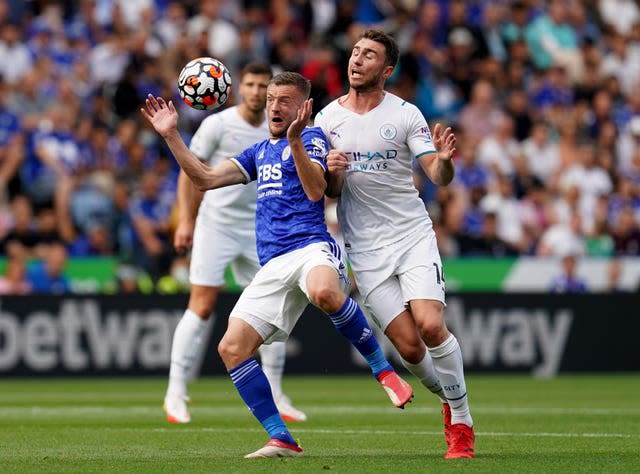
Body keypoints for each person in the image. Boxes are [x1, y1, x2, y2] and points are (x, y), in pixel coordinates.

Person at [141, 71, 414, 458]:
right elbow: (202, 178)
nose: (274, 105)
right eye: (271, 98)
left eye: (284, 100)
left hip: (311, 248)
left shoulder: (314, 138)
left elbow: (318, 190)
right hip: (271, 263)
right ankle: (280, 436)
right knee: (232, 348)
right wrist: (170, 135)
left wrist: (296, 141)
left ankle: (384, 371)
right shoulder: (256, 152)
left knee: (324, 291)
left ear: (303, 107)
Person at [314, 29, 475, 459]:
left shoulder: (406, 114)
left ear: (386, 70)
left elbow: (436, 176)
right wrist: (333, 172)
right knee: (408, 347)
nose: (357, 59)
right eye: (355, 52)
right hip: (364, 249)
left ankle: (461, 419)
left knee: (429, 324)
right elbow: (327, 191)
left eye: (369, 55)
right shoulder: (327, 119)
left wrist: (443, 163)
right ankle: (450, 397)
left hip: (411, 235)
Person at [163, 61, 306, 425]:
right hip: (216, 225)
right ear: (237, 88)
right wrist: (187, 220)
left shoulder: (283, 127)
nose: (259, 93)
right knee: (203, 304)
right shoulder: (218, 124)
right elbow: (191, 171)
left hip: (260, 228)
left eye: (264, 86)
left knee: (271, 312)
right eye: (252, 85)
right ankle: (175, 392)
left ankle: (275, 392)